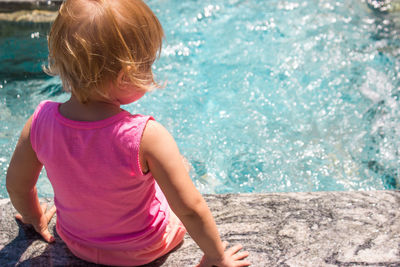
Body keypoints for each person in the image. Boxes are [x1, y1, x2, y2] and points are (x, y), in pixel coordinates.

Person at [6, 0, 251, 266]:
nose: (151, 72)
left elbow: (17, 185)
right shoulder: (147, 136)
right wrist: (216, 256)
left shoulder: (40, 121)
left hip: (78, 243)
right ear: (126, 75)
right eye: (148, 65)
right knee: (179, 170)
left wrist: (34, 217)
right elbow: (190, 208)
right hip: (145, 248)